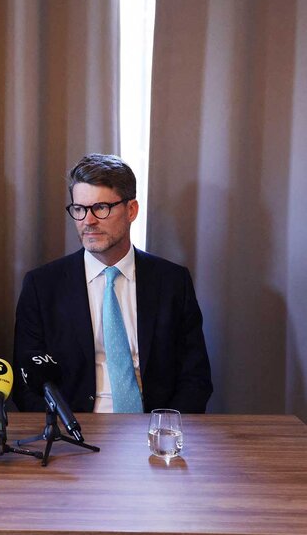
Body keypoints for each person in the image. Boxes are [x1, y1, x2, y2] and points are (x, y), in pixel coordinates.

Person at [14, 154, 213, 413]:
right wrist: (65, 434)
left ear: (131, 210)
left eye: (101, 208)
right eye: (79, 209)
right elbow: (25, 382)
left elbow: (195, 378)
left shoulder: (172, 282)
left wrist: (164, 429)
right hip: (73, 433)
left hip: (153, 430)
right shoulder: (42, 286)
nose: (88, 220)